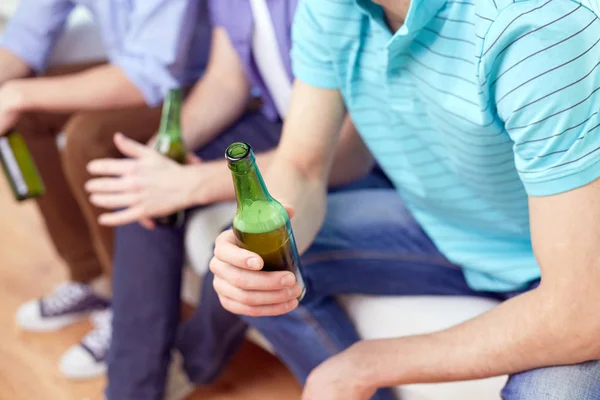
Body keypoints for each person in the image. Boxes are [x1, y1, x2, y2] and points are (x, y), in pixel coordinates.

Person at [201, 0, 600, 399]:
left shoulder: (541, 28)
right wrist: (260, 261)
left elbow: (580, 312)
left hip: (577, 267)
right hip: (451, 226)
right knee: (266, 274)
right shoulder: (331, 8)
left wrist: (365, 364)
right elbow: (302, 166)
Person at [84, 0, 391, 398]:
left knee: (253, 253)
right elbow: (225, 83)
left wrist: (193, 182)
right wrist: (164, 157)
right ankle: (131, 389)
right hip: (276, 126)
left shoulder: (331, 11)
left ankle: (194, 361)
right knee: (140, 188)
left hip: (344, 153)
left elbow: (346, 155)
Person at [0, 0, 210, 379]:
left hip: (195, 84)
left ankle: (127, 311)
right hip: (131, 68)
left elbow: (148, 75)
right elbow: (25, 39)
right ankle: (93, 277)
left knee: (89, 137)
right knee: (22, 116)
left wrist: (18, 94)